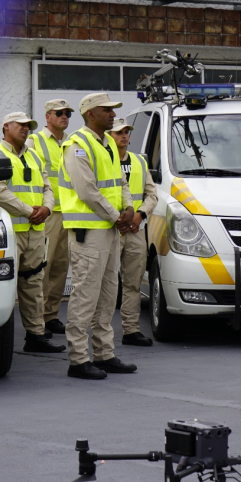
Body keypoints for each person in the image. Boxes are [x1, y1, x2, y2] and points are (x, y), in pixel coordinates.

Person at [60, 93, 137, 380]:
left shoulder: (105, 145)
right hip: (90, 231)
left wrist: (129, 207)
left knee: (107, 294)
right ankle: (78, 360)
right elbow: (86, 191)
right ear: (91, 114)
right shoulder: (77, 146)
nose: (113, 114)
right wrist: (117, 216)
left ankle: (104, 354)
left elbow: (120, 183)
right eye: (107, 110)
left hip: (107, 229)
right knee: (85, 295)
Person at [0, 113, 66, 353]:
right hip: (10, 233)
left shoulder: (34, 156)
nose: (26, 129)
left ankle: (36, 336)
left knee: (33, 284)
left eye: (29, 126)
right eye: (21, 125)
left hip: (35, 230)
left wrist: (47, 208)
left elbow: (48, 186)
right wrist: (29, 211)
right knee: (4, 285)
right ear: (6, 126)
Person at [108, 118, 157, 347]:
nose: (124, 135)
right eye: (119, 132)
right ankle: (102, 333)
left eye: (127, 131)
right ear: (109, 135)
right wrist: (117, 219)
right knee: (106, 284)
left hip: (136, 229)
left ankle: (131, 331)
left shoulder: (139, 161)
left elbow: (152, 195)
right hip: (111, 229)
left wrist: (140, 215)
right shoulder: (103, 161)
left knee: (133, 283)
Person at [27, 99, 73, 336]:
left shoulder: (71, 142)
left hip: (68, 212)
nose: (65, 116)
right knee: (42, 268)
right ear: (48, 116)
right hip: (48, 213)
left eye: (68, 113)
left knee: (60, 267)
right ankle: (37, 320)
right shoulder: (35, 142)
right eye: (60, 113)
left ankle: (51, 315)